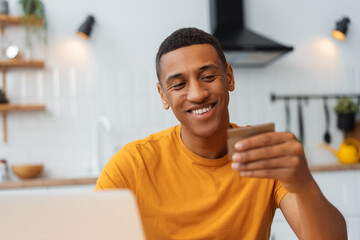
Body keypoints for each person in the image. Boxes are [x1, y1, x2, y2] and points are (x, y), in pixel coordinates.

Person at [95, 27, 347, 240]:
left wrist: (303, 184)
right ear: (163, 95)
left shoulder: (263, 152)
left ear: (229, 77)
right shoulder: (132, 164)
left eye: (207, 76)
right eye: (179, 84)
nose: (196, 94)